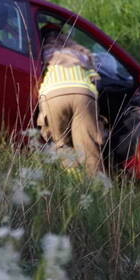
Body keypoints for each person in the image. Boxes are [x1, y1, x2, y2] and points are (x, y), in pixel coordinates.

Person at [36, 26, 104, 176]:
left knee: (62, 145)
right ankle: (97, 188)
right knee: (88, 147)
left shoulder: (43, 51)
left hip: (53, 95)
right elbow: (96, 80)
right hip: (83, 93)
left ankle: (74, 181)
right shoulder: (80, 52)